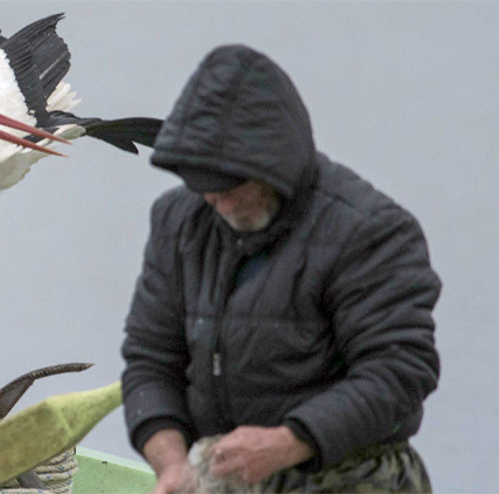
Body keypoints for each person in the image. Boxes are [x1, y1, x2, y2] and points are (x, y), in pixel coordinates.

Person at [121, 44, 441, 493]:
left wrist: (288, 441)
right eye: (203, 186)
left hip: (350, 474)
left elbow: (399, 371)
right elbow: (151, 359)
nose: (218, 201)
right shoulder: (179, 222)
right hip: (227, 474)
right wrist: (171, 463)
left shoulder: (371, 232)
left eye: (231, 185)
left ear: (274, 169)